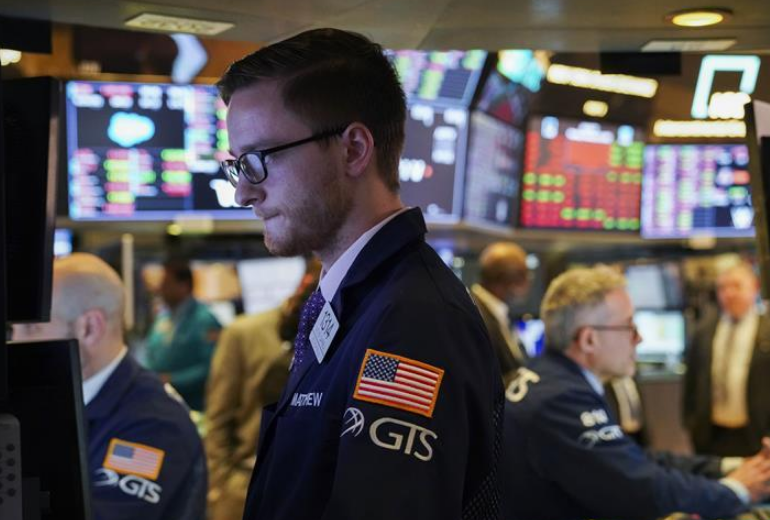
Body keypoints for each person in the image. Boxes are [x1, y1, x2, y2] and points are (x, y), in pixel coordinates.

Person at [219, 27, 502, 520]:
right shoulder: (354, 300)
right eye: (238, 166)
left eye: (259, 160)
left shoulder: (412, 322)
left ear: (353, 149)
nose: (244, 192)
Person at [501, 265, 770, 520]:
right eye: (628, 326)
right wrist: (736, 490)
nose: (639, 338)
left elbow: (632, 459)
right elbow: (641, 489)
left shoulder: (550, 379)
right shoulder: (561, 400)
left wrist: (734, 465)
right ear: (589, 339)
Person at [12, 253, 206, 520]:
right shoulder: (64, 402)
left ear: (90, 328)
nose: (16, 343)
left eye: (31, 329)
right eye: (13, 330)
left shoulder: (154, 423)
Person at [204, 258, 320, 520]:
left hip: (305, 490)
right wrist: (221, 487)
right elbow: (219, 414)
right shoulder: (244, 333)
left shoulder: (345, 334)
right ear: (307, 282)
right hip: (244, 484)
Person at [683, 262, 770, 456]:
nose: (729, 293)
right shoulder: (703, 332)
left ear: (754, 288)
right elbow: (690, 386)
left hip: (760, 437)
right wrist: (692, 427)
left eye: (737, 286)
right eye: (723, 288)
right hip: (712, 438)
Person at [144, 257, 222, 411]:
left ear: (183, 286)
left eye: (166, 283)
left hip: (195, 407)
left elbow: (212, 367)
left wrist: (171, 380)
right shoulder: (163, 318)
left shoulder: (204, 320)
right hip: (163, 402)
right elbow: (151, 354)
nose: (160, 289)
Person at [470, 241, 531, 387]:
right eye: (526, 276)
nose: (529, 283)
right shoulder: (475, 314)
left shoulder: (498, 311)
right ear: (511, 280)